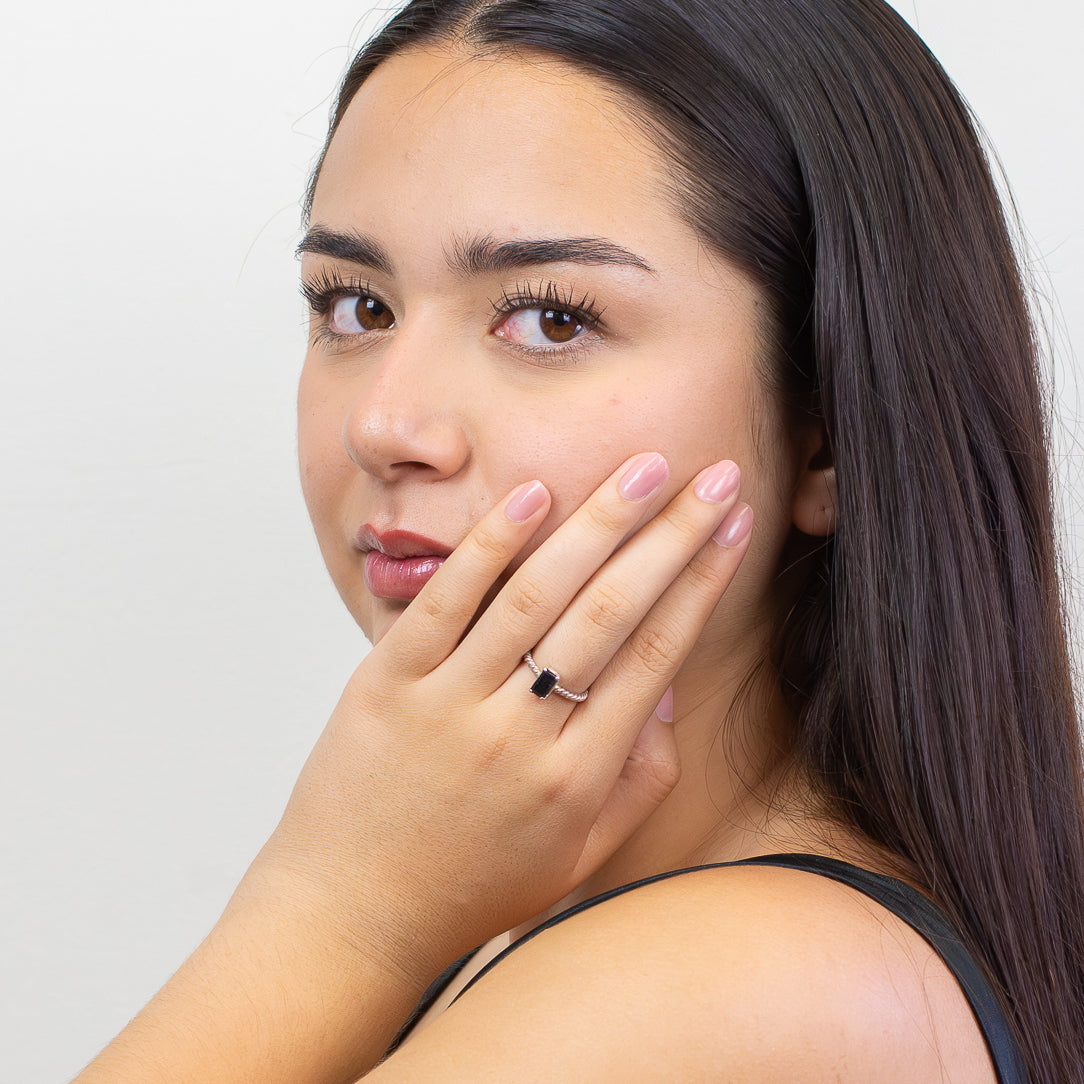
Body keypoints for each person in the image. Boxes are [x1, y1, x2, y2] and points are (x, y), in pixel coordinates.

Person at [74, 0, 1084, 1080]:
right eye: (355, 306)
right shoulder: (551, 916)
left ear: (827, 429)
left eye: (550, 318)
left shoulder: (728, 985)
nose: (385, 425)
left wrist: (334, 908)